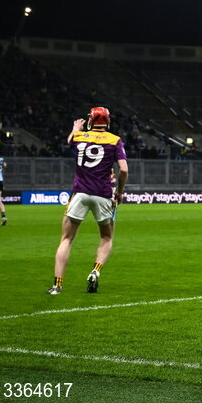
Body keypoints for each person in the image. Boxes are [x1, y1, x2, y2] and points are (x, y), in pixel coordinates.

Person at [46, 107, 127, 295]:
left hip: (80, 194)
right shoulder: (115, 140)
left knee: (66, 239)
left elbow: (69, 141)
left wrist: (76, 128)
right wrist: (120, 193)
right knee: (106, 238)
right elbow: (123, 169)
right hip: (103, 195)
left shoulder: (79, 137)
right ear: (108, 122)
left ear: (90, 120)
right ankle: (95, 271)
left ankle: (57, 286)